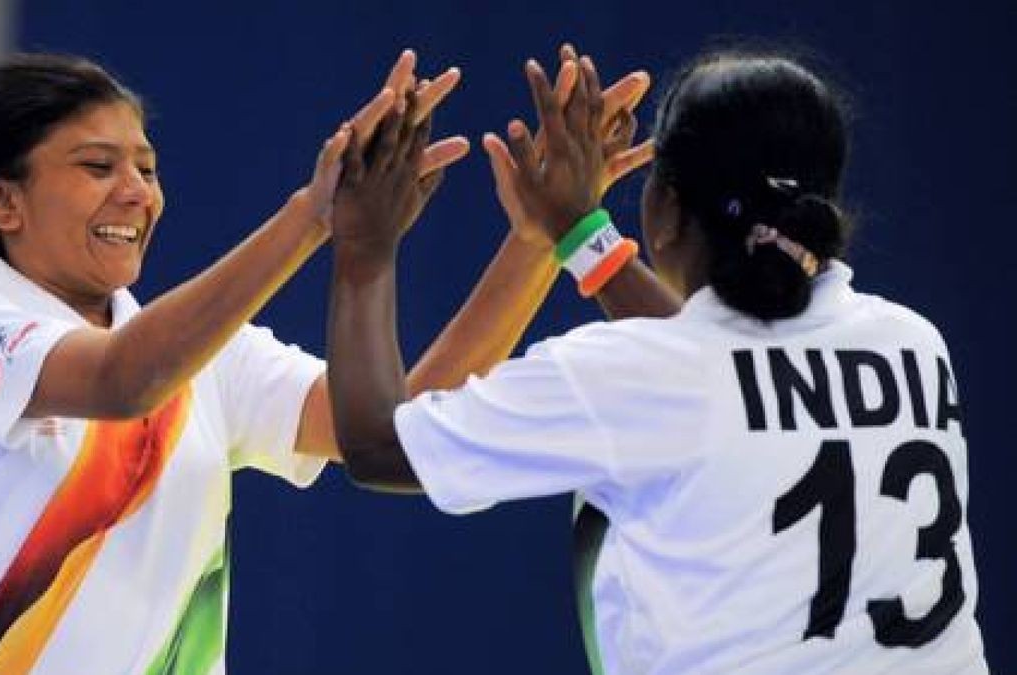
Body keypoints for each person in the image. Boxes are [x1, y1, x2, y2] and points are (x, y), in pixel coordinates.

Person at [0, 49, 660, 674]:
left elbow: (409, 426)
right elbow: (122, 378)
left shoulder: (207, 359)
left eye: (148, 168)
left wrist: (540, 234)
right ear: (2, 201)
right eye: (98, 167)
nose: (137, 193)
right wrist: (313, 215)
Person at [327, 49, 988, 673]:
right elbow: (717, 377)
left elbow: (379, 445)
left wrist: (365, 243)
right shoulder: (912, 343)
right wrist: (578, 234)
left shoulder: (631, 376)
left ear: (663, 208)